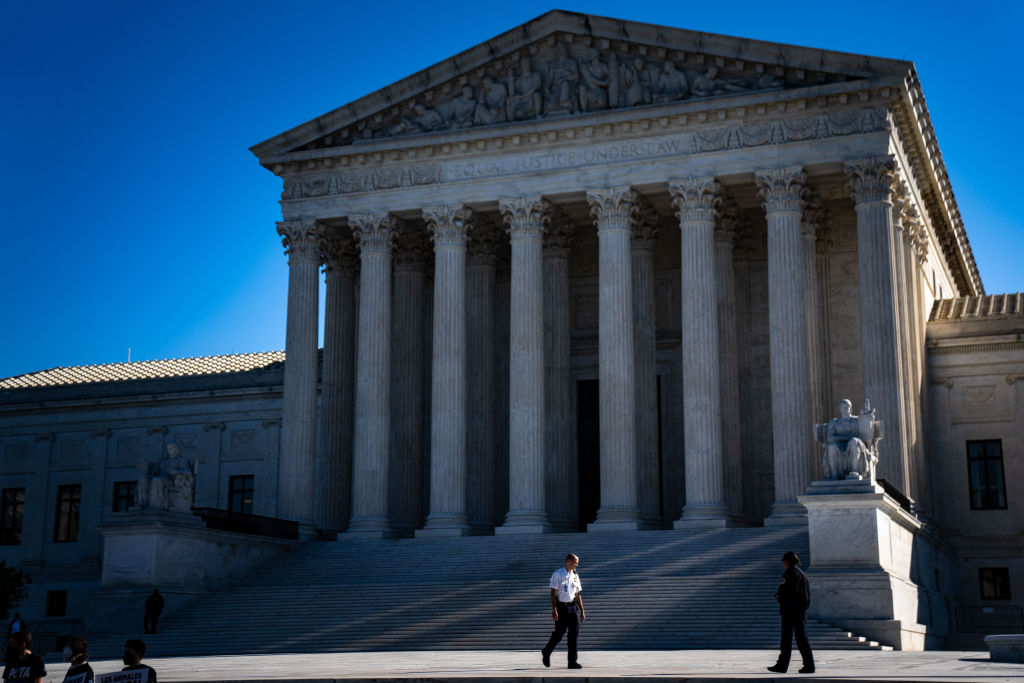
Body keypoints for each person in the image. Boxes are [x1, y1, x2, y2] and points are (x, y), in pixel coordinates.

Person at [768, 551, 815, 674]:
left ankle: (782, 665)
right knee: (801, 638)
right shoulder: (802, 574)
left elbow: (785, 591)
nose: (783, 562)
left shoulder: (790, 573)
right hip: (801, 609)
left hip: (790, 609)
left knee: (786, 639)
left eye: (784, 560)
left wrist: (779, 597)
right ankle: (809, 665)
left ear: (788, 561)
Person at [541, 553, 585, 669]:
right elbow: (552, 592)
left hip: (572, 608)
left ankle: (572, 662)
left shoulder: (575, 575)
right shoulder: (558, 574)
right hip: (561, 608)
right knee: (559, 634)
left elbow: (577, 594)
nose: (577, 565)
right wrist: (554, 609)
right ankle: (547, 651)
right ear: (569, 561)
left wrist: (582, 611)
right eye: (576, 563)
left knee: (573, 635)